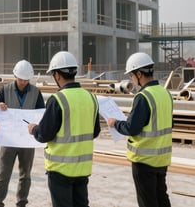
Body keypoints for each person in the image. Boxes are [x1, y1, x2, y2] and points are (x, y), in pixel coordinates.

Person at [28, 51, 100, 207]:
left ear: (57, 75)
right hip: (82, 168)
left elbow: (44, 135)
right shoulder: (91, 97)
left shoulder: (58, 99)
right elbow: (95, 132)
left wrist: (34, 129)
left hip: (60, 170)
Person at [107, 52, 172, 207]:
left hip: (144, 160)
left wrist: (115, 123)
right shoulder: (165, 93)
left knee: (148, 202)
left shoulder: (143, 97)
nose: (132, 79)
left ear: (139, 73)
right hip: (162, 159)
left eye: (132, 75)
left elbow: (132, 128)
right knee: (161, 198)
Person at [0, 60, 45, 207]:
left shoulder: (35, 92)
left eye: (26, 80)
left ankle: (22, 202)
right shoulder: (5, 90)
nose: (23, 83)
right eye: (20, 79)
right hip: (8, 140)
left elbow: (41, 113)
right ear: (15, 76)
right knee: (3, 174)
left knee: (25, 175)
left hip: (27, 141)